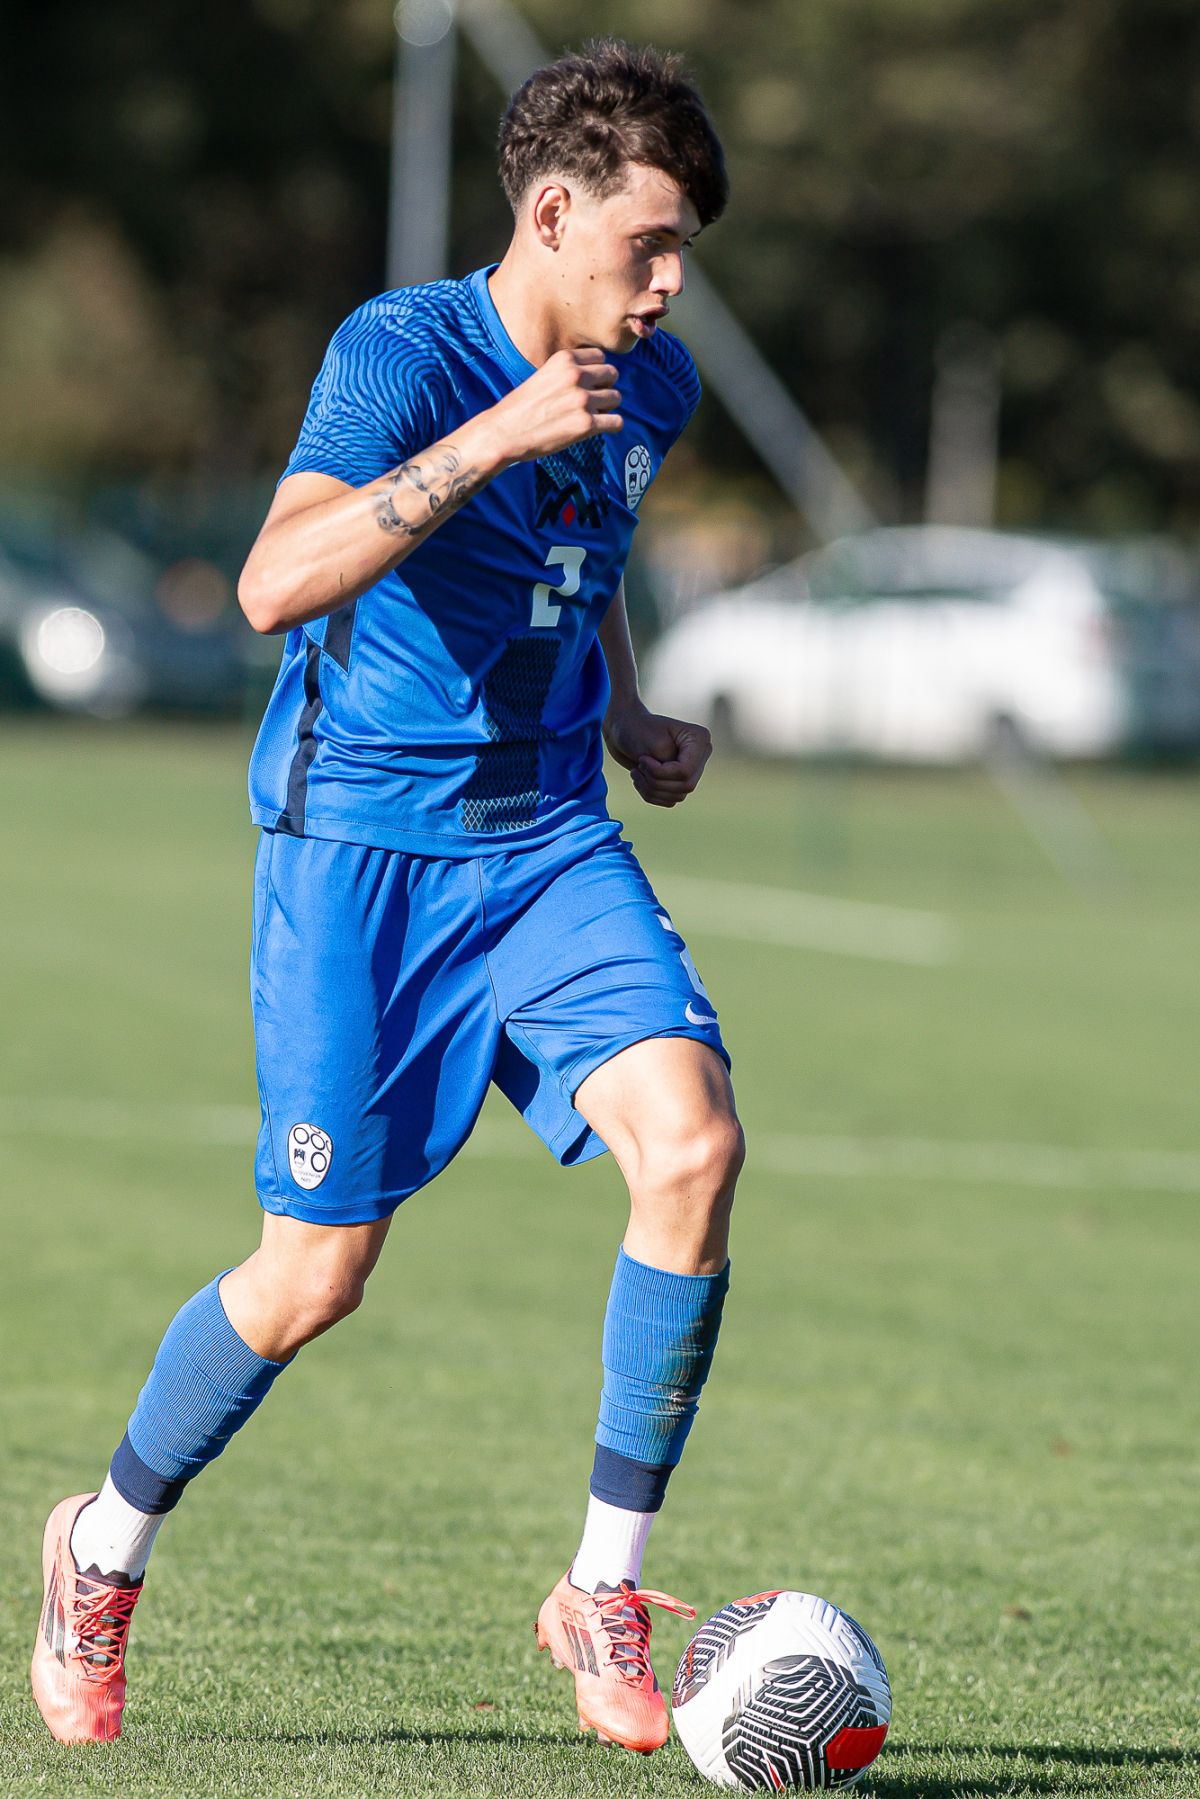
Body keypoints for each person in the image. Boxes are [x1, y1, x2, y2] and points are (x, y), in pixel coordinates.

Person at [32, 37, 742, 1757]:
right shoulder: (404, 353)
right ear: (552, 214)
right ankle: (99, 1549)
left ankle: (602, 1585)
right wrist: (498, 432)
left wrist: (624, 704)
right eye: (647, 244)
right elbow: (275, 582)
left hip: (548, 839)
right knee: (313, 1277)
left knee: (694, 1146)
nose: (668, 285)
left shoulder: (650, 385)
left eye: (683, 254)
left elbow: (590, 540)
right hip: (361, 851)